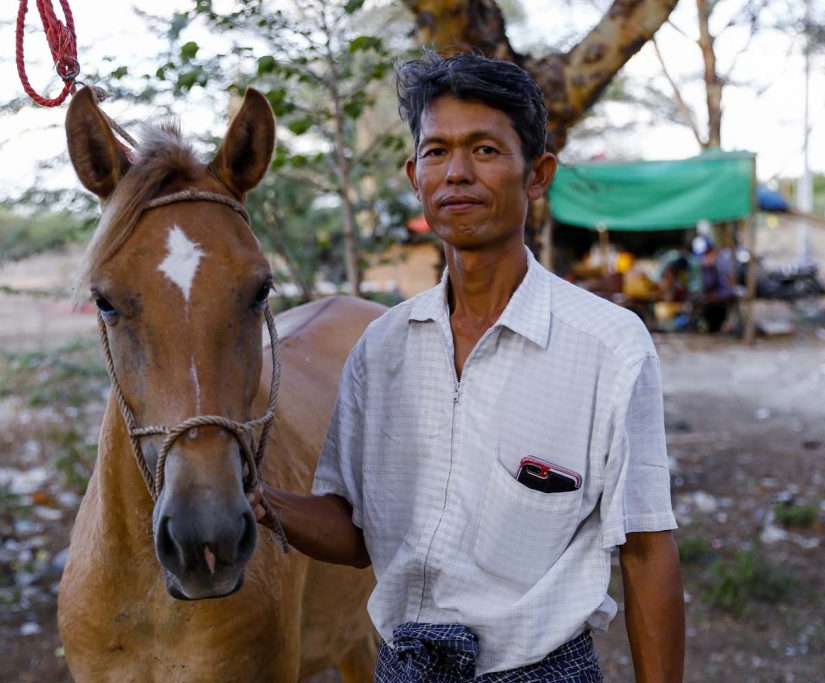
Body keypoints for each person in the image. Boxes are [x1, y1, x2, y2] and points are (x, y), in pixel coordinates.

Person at [250, 51, 684, 682]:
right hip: (402, 667)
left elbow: (647, 552)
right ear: (414, 175)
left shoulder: (609, 346)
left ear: (537, 175)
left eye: (484, 150)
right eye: (437, 152)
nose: (457, 173)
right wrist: (261, 502)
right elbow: (353, 532)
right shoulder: (381, 350)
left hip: (540, 670)